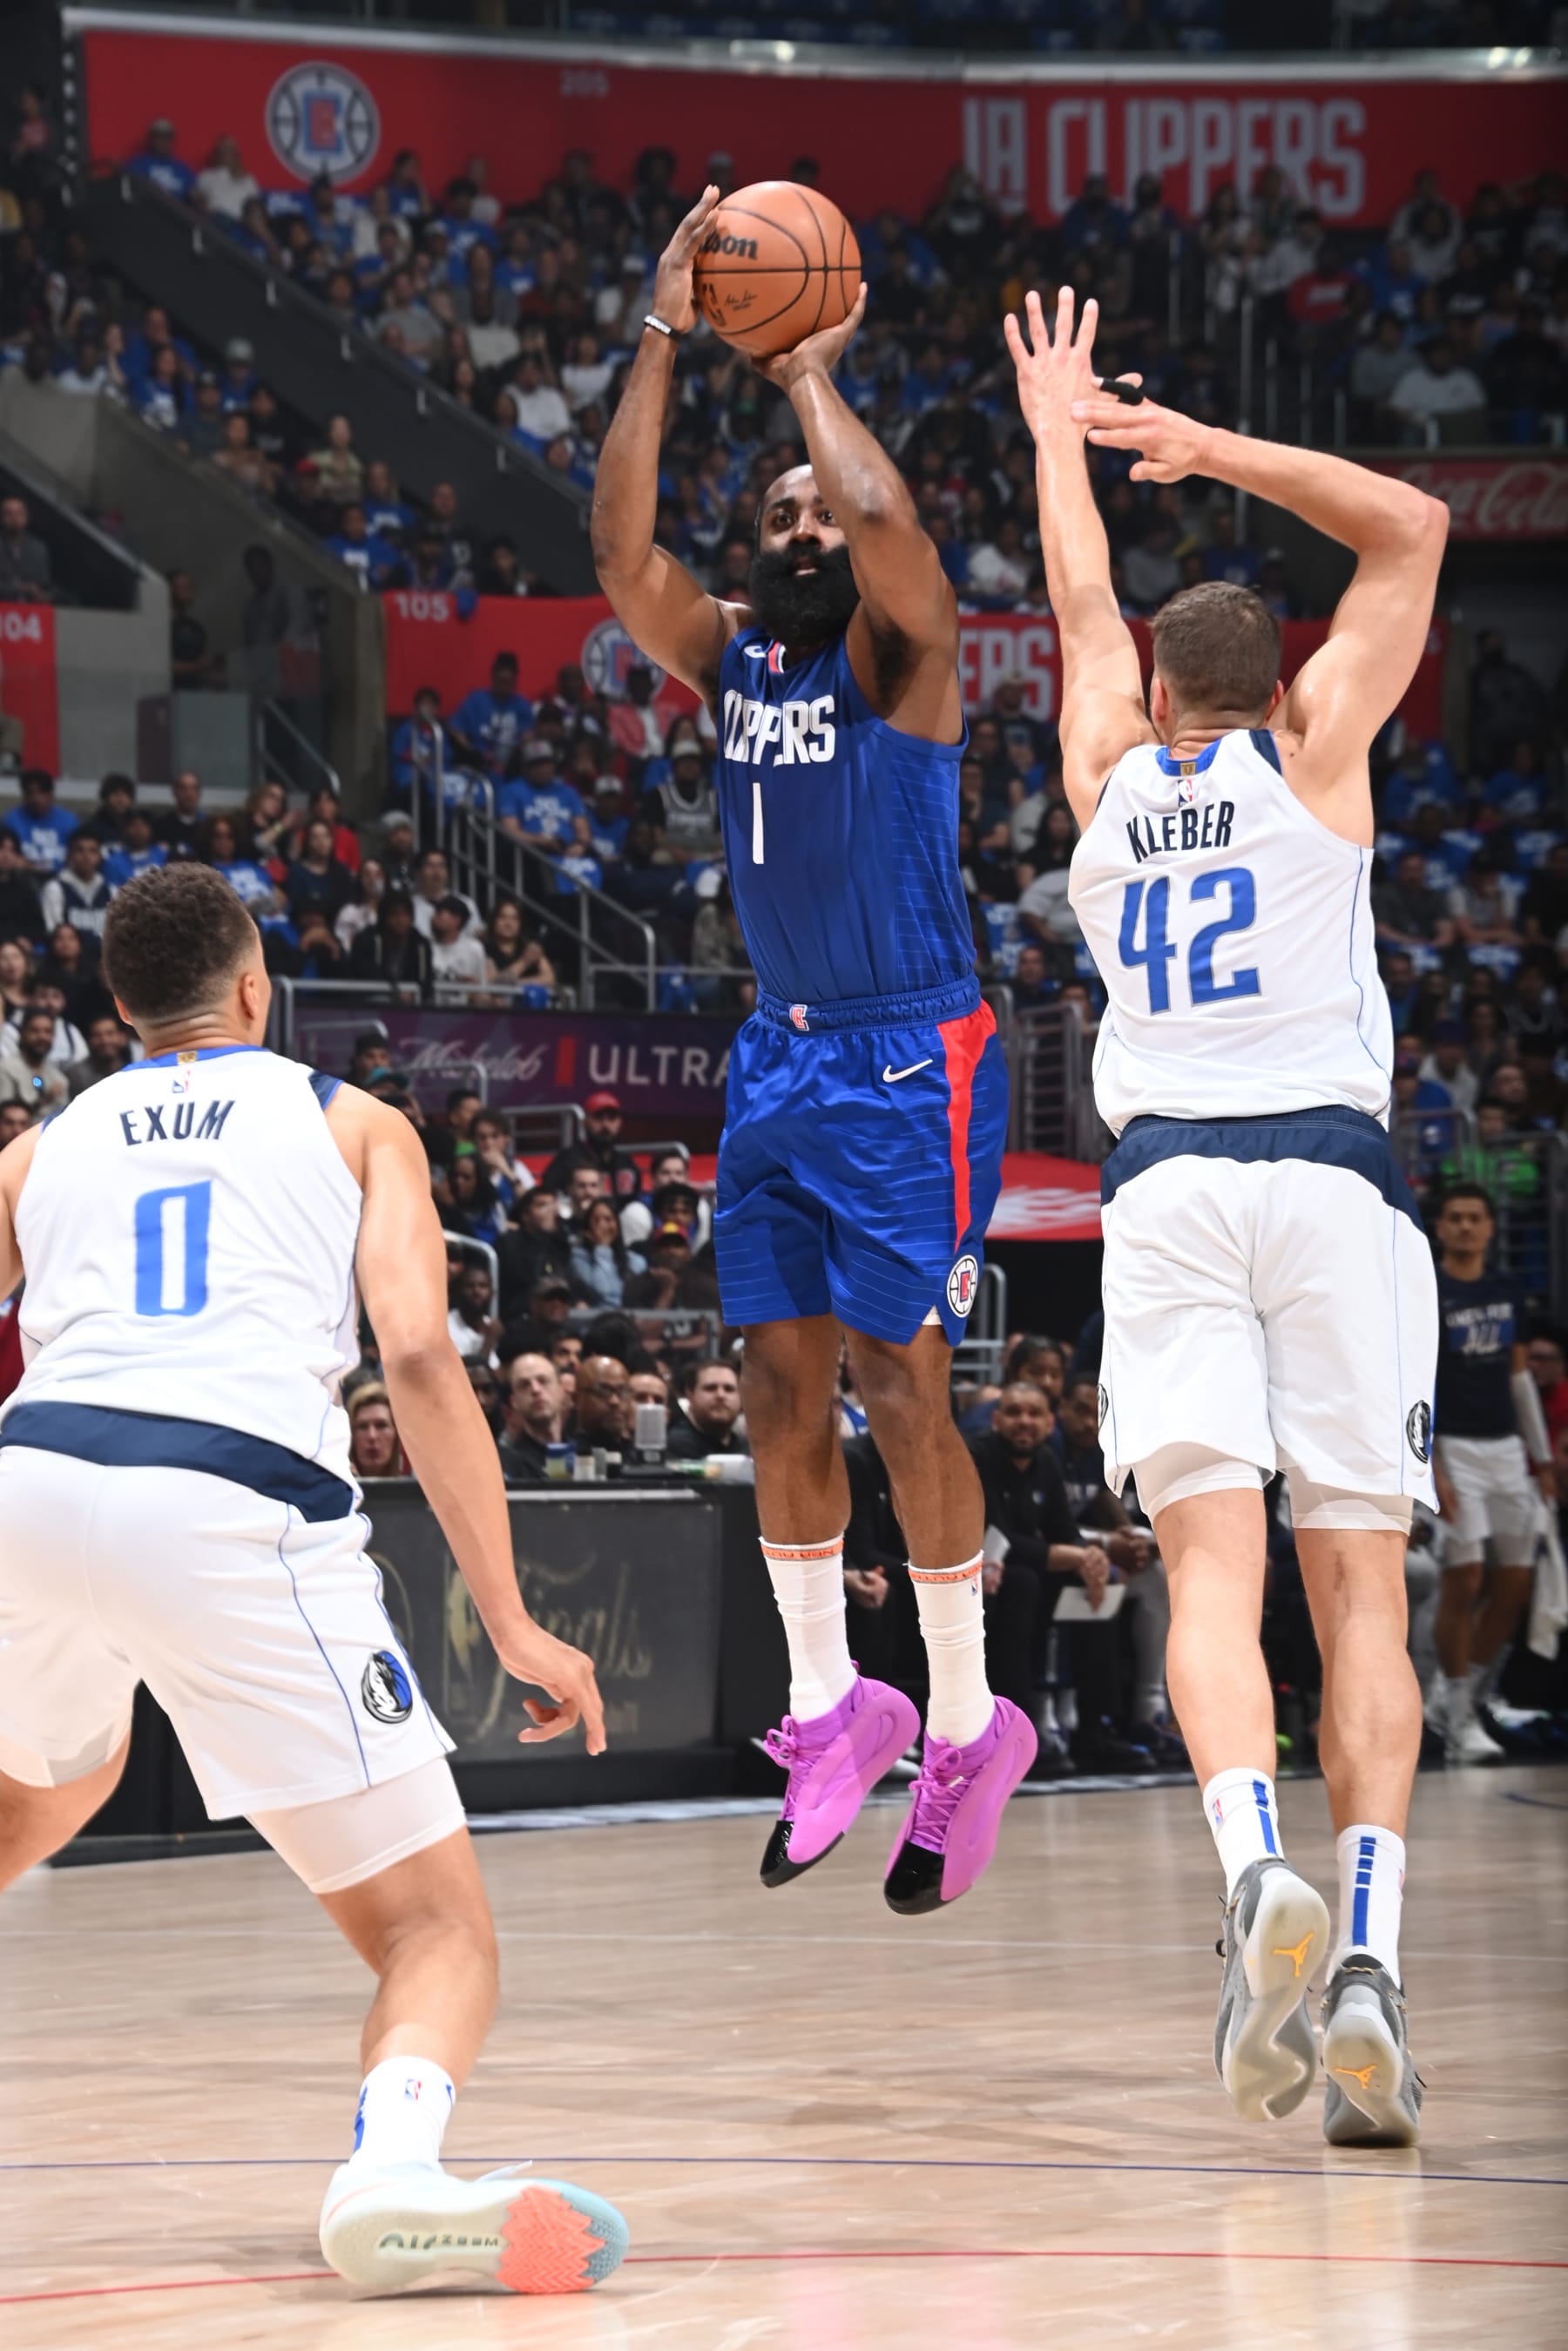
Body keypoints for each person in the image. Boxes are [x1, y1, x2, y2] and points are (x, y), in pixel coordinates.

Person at [0, 862, 624, 2293]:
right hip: (226, 1498)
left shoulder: (42, 1145)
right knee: (436, 1925)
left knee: (51, 1785)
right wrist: (511, 1616)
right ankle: (390, 2171)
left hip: (30, 1481)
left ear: (120, 1007)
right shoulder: (352, 1121)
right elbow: (415, 1353)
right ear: (255, 987)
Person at [1011, 284, 1448, 2145]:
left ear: (1156, 692)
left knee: (1208, 1569)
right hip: (1333, 1182)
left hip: (1171, 1181)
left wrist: (1062, 432)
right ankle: (1369, 1961)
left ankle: (1251, 1855)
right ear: (1283, 689)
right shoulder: (1319, 754)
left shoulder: (1105, 775)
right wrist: (1207, 448)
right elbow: (1412, 528)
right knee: (1359, 1589)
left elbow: (1076, 599)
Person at [594, 186, 1028, 1917]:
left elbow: (890, 515)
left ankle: (971, 1720)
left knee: (901, 1382)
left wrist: (799, 375)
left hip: (912, 1052)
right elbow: (620, 554)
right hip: (777, 1058)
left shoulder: (905, 654)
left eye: (812, 507)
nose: (797, 521)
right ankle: (831, 1699)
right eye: (774, 511)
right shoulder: (733, 656)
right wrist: (660, 332)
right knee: (779, 1381)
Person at [1427, 1184, 1554, 1765]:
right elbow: (1419, 1381)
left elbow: (1520, 1378)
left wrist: (1541, 1458)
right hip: (1454, 1445)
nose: (1465, 1226)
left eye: (1475, 1217)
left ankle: (1461, 1698)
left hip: (1506, 1447)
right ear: (1440, 1228)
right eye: (1455, 1218)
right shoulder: (1430, 1290)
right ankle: (1459, 1718)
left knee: (1516, 1583)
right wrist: (1433, 1466)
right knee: (1465, 1576)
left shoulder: (1507, 1290)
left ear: (1490, 1228)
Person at [497, 1352, 564, 1483]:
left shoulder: (585, 1454)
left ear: (561, 1391)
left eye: (543, 1381)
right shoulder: (507, 1464)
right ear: (514, 1401)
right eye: (524, 1385)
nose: (535, 1389)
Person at [666, 1355, 748, 1461]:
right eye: (711, 1388)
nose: (720, 1395)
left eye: (729, 1389)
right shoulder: (676, 1445)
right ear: (690, 1395)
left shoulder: (747, 1449)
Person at [569, 1195, 645, 1309]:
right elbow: (602, 1291)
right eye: (596, 1220)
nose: (602, 1226)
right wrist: (602, 1248)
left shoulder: (636, 1261)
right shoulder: (578, 1258)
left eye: (608, 1219)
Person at [0, 1004, 70, 1118]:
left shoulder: (59, 1079)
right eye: (35, 1031)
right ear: (23, 1033)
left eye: (48, 1031)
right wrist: (44, 1100)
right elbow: (5, 1116)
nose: (42, 1037)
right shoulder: (6, 1068)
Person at [347, 1382, 408, 1478]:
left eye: (381, 1426)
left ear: (397, 1434)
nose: (372, 1436)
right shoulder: (335, 1486)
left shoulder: (420, 1486)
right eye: (362, 1427)